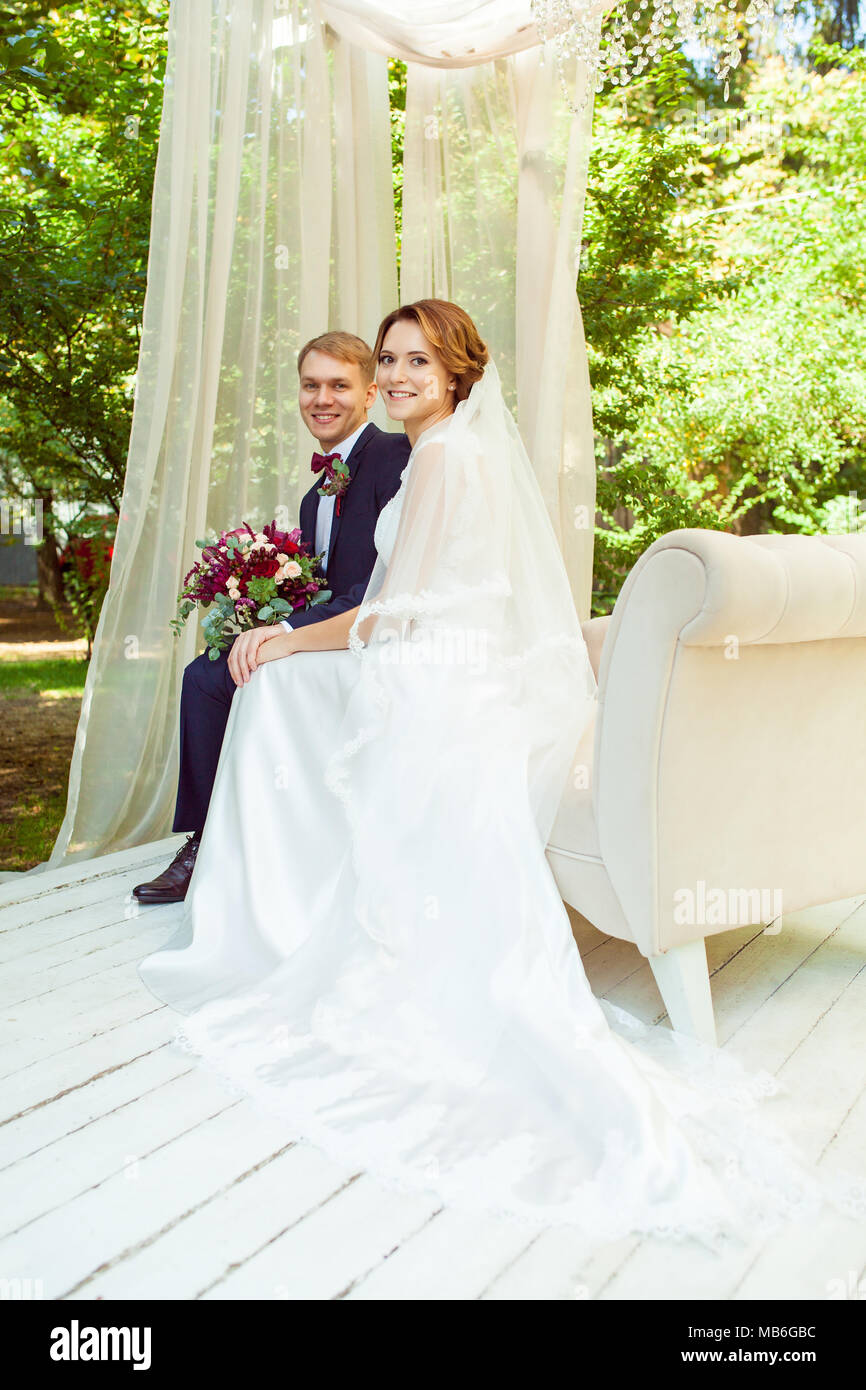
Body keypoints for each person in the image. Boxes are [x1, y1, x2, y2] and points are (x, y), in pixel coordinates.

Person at [138, 300, 862, 1244]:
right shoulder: (456, 452)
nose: (396, 378)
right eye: (388, 361)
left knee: (277, 697)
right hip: (455, 664)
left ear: (456, 375)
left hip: (435, 680)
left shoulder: (441, 457)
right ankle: (253, 881)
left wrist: (282, 636)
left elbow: (391, 612)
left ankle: (255, 895)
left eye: (414, 364)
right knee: (285, 697)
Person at [132, 331, 410, 904]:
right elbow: (325, 583)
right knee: (210, 672)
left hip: (379, 638)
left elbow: (378, 586)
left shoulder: (393, 458)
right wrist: (260, 610)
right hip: (336, 626)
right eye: (311, 385)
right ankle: (217, 838)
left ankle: (213, 841)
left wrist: (285, 631)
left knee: (210, 680)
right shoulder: (316, 494)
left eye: (339, 385)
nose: (322, 398)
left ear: (370, 393)